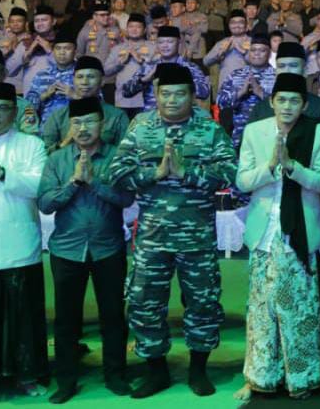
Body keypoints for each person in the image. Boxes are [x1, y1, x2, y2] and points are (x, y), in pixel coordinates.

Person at [103, 63, 236, 397]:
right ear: (155, 95)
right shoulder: (140, 125)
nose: (172, 100)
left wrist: (186, 171)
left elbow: (230, 175)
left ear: (193, 96)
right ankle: (156, 371)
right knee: (145, 302)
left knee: (203, 302)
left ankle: (198, 371)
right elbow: (116, 173)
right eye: (165, 94)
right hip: (152, 236)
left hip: (197, 237)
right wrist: (156, 174)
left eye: (180, 94)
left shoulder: (208, 128)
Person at [233, 74, 320, 403]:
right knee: (261, 310)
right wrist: (271, 165)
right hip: (264, 233)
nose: (287, 106)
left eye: (295, 101)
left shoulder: (319, 132)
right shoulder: (254, 131)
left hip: (300, 232)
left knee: (301, 310)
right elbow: (243, 181)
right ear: (271, 102)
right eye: (282, 100)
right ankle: (260, 377)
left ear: (304, 105)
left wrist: (293, 167)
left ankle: (302, 377)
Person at [36, 97, 134, 403]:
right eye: (77, 122)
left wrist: (94, 183)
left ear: (101, 124)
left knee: (113, 316)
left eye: (90, 121)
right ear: (69, 126)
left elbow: (126, 198)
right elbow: (45, 203)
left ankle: (115, 375)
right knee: (67, 319)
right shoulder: (57, 160)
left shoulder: (116, 156)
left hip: (108, 250)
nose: (83, 128)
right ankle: (66, 381)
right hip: (67, 251)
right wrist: (74, 182)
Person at [0, 81, 50, 397]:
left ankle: (27, 375)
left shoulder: (31, 145)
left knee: (22, 317)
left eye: (2, 109)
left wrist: (0, 172)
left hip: (17, 243)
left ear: (14, 113)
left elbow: (37, 185)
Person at [38, 55, 128, 151]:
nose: (84, 82)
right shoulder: (58, 116)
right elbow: (45, 154)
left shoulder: (117, 116)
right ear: (73, 80)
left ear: (102, 81)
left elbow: (125, 154)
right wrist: (66, 141)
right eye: (80, 77)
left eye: (91, 77)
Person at [121, 26, 210, 112]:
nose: (165, 45)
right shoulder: (149, 67)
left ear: (179, 43)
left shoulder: (189, 67)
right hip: (152, 120)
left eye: (170, 42)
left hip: (180, 118)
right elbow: (126, 92)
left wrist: (181, 78)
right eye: (161, 42)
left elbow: (204, 92)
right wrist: (145, 79)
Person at [215, 32, 276, 147]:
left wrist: (260, 93)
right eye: (253, 50)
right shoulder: (236, 75)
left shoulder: (277, 76)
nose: (256, 54)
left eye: (262, 51)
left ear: (269, 54)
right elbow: (220, 102)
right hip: (238, 134)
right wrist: (239, 93)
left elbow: (282, 106)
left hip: (267, 135)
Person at [103, 13, 154, 119]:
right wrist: (121, 62)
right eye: (131, 26)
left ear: (144, 30)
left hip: (146, 100)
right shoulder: (117, 48)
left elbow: (158, 70)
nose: (134, 29)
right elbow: (106, 70)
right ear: (127, 29)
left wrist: (141, 61)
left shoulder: (153, 47)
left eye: (138, 26)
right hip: (122, 100)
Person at [25, 36, 78, 121]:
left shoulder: (83, 74)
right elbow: (27, 109)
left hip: (75, 128)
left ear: (75, 52)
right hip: (45, 129)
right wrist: (43, 96)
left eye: (67, 48)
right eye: (58, 48)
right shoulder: (42, 75)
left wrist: (75, 96)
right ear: (53, 51)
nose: (62, 52)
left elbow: (99, 105)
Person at [203, 10, 253, 92]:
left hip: (247, 89)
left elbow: (260, 63)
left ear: (245, 24)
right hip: (226, 90)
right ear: (229, 25)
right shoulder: (222, 43)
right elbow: (206, 61)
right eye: (233, 22)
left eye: (240, 22)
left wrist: (243, 51)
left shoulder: (253, 42)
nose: (237, 25)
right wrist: (220, 53)